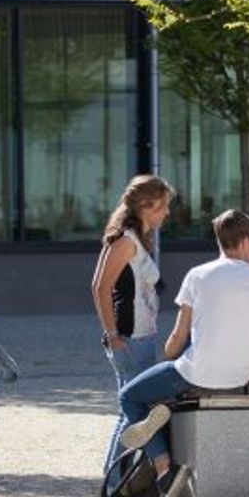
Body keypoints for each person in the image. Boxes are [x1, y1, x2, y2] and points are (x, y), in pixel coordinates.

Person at [112, 210, 249, 497]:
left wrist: (167, 357)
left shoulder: (196, 275)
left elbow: (177, 337)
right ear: (245, 240)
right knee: (168, 389)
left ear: (220, 239)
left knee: (130, 396)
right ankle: (164, 408)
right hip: (238, 378)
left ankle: (163, 467)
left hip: (194, 373)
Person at [90, 176, 174, 419]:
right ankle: (123, 459)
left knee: (133, 415)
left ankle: (128, 459)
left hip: (141, 337)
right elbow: (99, 287)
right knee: (134, 415)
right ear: (146, 206)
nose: (167, 212)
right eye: (163, 205)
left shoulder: (135, 239)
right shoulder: (126, 241)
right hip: (131, 340)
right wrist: (112, 335)